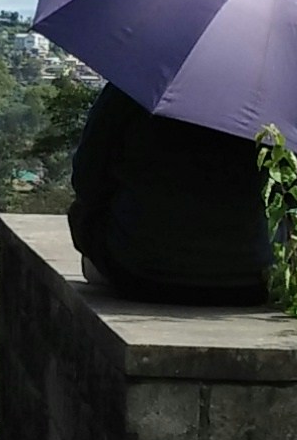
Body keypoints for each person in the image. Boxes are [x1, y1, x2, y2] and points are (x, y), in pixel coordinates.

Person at [66, 84, 274, 305]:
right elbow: (292, 200)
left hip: (140, 276)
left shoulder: (137, 84)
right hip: (246, 284)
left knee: (82, 215)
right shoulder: (274, 102)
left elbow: (86, 180)